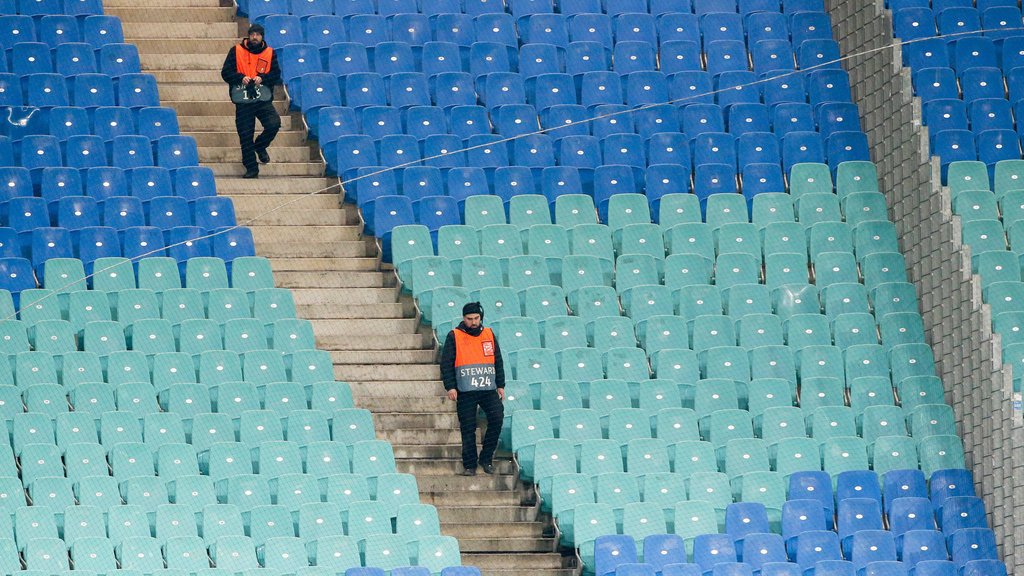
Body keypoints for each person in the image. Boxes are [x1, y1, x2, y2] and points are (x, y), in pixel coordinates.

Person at [440, 302, 505, 476]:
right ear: (463, 319)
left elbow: (497, 360)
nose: (474, 322)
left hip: (487, 389)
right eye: (470, 319)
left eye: (476, 318)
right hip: (465, 390)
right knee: (467, 428)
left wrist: (501, 385)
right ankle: (470, 465)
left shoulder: (489, 334)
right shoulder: (454, 335)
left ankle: (486, 458)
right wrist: (450, 387)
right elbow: (446, 363)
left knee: (497, 418)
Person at [221, 23, 281, 179]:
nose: (255, 37)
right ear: (248, 35)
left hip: (263, 99)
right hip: (243, 100)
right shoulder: (236, 51)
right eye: (252, 34)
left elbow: (276, 74)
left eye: (258, 34)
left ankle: (260, 146)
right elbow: (226, 73)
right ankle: (251, 168)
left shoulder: (270, 53)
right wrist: (241, 78)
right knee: (245, 135)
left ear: (262, 37)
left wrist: (264, 78)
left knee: (274, 124)